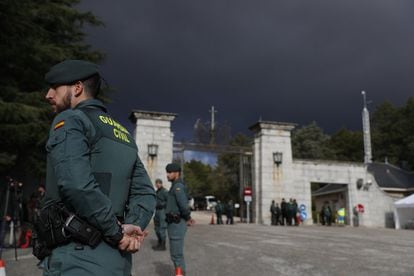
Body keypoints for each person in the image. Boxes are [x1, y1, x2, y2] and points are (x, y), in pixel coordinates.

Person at [38, 59, 156, 275]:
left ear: (77, 88)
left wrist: (117, 233)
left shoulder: (72, 119)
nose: (48, 95)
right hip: (116, 262)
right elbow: (145, 192)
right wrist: (130, 227)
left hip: (77, 258)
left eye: (55, 87)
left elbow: (77, 185)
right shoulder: (123, 134)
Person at [165, 163, 195, 276]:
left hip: (176, 223)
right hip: (173, 223)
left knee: (176, 253)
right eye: (167, 172)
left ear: (177, 173)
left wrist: (188, 217)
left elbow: (183, 204)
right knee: (175, 252)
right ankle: (179, 273)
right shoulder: (174, 185)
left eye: (169, 172)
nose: (167, 175)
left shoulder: (178, 187)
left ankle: (180, 273)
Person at [153, 178, 169, 251]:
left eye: (159, 183)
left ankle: (163, 245)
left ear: (161, 184)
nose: (157, 184)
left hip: (162, 211)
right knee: (156, 228)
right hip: (157, 211)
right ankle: (159, 243)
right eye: (156, 183)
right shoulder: (157, 192)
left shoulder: (165, 192)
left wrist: (162, 204)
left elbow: (169, 201)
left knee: (162, 228)